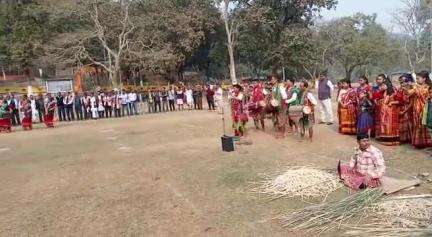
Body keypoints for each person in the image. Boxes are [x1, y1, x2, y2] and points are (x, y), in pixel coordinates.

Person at [375, 77, 400, 145]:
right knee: (385, 124)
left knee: (390, 125)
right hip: (384, 111)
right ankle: (385, 139)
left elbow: (398, 101)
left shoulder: (392, 93)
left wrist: (391, 103)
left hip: (390, 111)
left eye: (383, 85)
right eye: (382, 85)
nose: (382, 87)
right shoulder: (384, 92)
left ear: (387, 86)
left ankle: (392, 140)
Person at [411, 71, 432, 148]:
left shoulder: (428, 87)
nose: (417, 80)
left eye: (418, 78)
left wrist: (415, 87)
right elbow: (409, 94)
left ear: (424, 79)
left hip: (424, 108)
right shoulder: (416, 86)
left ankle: (427, 142)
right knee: (417, 124)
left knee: (424, 124)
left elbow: (421, 95)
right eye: (416, 79)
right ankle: (419, 142)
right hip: (416, 108)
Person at [395, 74, 414, 144]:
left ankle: (411, 139)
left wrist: (404, 111)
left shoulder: (412, 90)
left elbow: (411, 103)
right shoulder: (401, 90)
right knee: (402, 125)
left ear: (409, 82)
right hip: (402, 108)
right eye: (401, 82)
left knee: (409, 124)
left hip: (409, 109)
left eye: (404, 82)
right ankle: (403, 139)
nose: (402, 84)